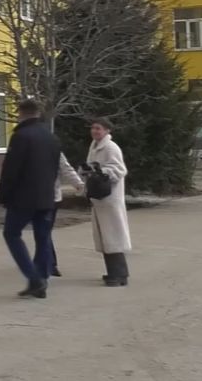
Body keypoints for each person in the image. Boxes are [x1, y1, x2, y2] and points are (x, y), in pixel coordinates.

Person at [0, 98, 61, 299]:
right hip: (47, 196)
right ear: (38, 113)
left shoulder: (21, 137)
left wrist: (2, 196)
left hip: (23, 198)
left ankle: (34, 279)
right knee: (43, 237)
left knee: (11, 234)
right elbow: (55, 168)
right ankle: (41, 279)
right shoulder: (51, 137)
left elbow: (11, 170)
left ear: (21, 113)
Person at [84, 117, 132, 286]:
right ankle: (114, 272)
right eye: (93, 128)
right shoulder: (95, 146)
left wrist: (100, 172)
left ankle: (119, 275)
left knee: (113, 236)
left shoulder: (111, 147)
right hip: (100, 198)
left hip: (110, 198)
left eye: (98, 128)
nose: (94, 131)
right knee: (106, 237)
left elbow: (119, 169)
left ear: (107, 130)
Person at [45, 153, 84, 278]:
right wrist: (78, 184)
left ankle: (49, 264)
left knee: (43, 232)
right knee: (44, 231)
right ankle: (47, 261)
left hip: (47, 197)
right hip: (50, 197)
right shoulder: (53, 148)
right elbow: (66, 169)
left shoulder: (53, 150)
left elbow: (66, 168)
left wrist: (79, 184)